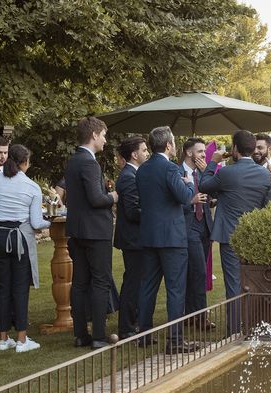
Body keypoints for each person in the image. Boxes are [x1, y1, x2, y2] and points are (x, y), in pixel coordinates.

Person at [199, 130, 271, 335]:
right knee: (254, 282)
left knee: (233, 284)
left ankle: (234, 331)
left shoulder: (226, 172)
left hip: (230, 236)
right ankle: (254, 326)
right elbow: (267, 205)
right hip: (253, 236)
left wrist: (213, 162)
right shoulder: (264, 174)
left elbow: (204, 185)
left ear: (235, 149)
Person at [0, 144, 50, 352]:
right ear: (25, 162)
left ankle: (3, 339)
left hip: (0, 235)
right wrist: (51, 222)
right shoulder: (31, 186)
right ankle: (21, 339)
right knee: (20, 289)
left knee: (2, 288)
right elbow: (37, 223)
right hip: (19, 238)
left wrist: (2, 211)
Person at [136, 126, 197, 353]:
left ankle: (144, 334)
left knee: (148, 286)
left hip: (149, 235)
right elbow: (185, 197)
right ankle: (175, 340)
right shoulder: (170, 168)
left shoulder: (142, 170)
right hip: (172, 237)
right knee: (175, 289)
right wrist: (188, 182)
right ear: (169, 145)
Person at [65, 116, 118, 349]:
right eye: (104, 135)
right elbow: (96, 199)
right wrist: (114, 197)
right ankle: (97, 336)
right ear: (94, 135)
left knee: (79, 282)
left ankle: (80, 335)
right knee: (99, 282)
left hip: (77, 230)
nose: (105, 140)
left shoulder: (72, 161)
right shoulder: (89, 163)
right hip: (95, 231)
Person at [114, 136, 148, 340]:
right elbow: (133, 211)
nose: (147, 153)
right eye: (144, 150)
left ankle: (132, 322)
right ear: (134, 155)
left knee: (137, 281)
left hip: (136, 238)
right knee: (133, 282)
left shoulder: (134, 174)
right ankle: (126, 327)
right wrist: (154, 212)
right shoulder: (128, 176)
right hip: (133, 239)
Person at [180, 137, 214, 329]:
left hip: (205, 227)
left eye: (204, 151)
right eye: (200, 151)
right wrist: (189, 200)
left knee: (195, 273)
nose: (203, 155)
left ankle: (191, 315)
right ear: (188, 152)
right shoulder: (176, 172)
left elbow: (213, 192)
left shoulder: (203, 173)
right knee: (199, 272)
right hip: (188, 226)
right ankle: (201, 318)